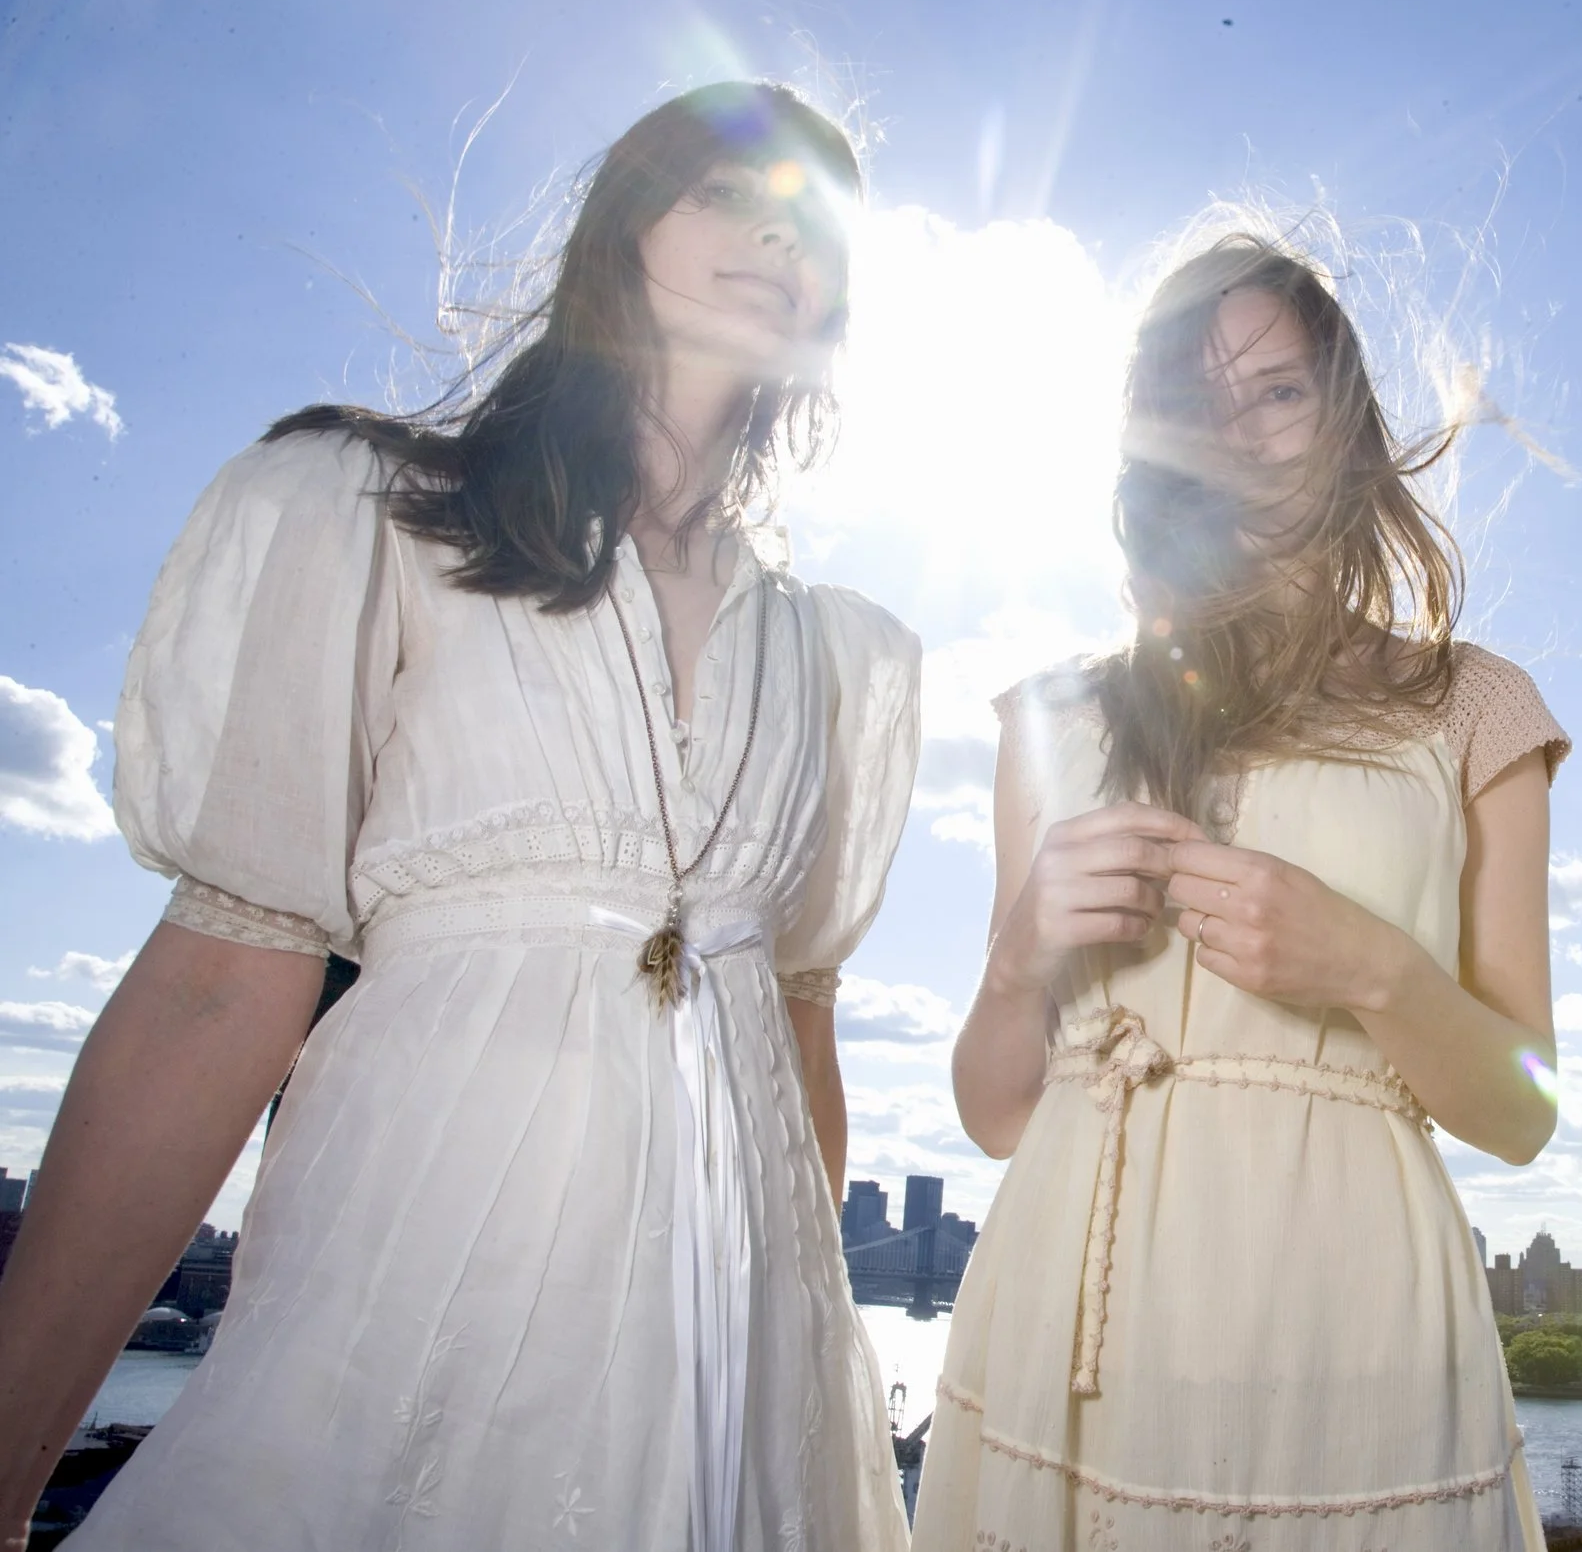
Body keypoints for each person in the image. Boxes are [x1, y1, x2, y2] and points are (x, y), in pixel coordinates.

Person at [0, 81, 921, 1552]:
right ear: (624, 229)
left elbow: (796, 1039)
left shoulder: (843, 659)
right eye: (725, 192)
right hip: (417, 1297)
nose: (773, 235)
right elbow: (215, 983)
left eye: (813, 223)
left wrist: (806, 1408)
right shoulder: (375, 517)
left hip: (751, 1388)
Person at [914, 231, 1567, 1551]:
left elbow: (1522, 1110)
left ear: (1347, 423)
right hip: (1072, 1321)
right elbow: (994, 1114)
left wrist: (1369, 967)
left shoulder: (1473, 704)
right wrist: (1013, 959)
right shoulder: (1056, 712)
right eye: (1197, 405)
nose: (1238, 433)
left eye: (1276, 390)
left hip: (1352, 1323)